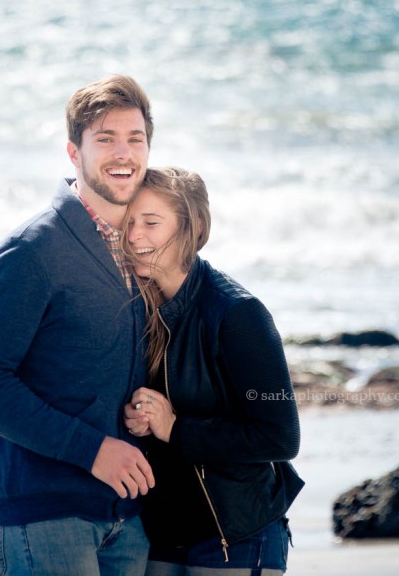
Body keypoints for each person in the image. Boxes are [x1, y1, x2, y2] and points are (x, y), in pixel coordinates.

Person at [0, 74, 157, 576]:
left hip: (124, 518)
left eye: (135, 139)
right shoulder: (32, 250)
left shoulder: (139, 246)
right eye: (105, 139)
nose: (123, 153)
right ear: (74, 152)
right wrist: (91, 450)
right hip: (43, 517)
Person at [121, 167, 304, 575]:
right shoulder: (137, 310)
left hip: (235, 533)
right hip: (162, 532)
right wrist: (140, 418)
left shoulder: (238, 314)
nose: (134, 236)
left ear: (194, 227)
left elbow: (280, 436)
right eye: (128, 222)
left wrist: (176, 429)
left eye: (151, 222)